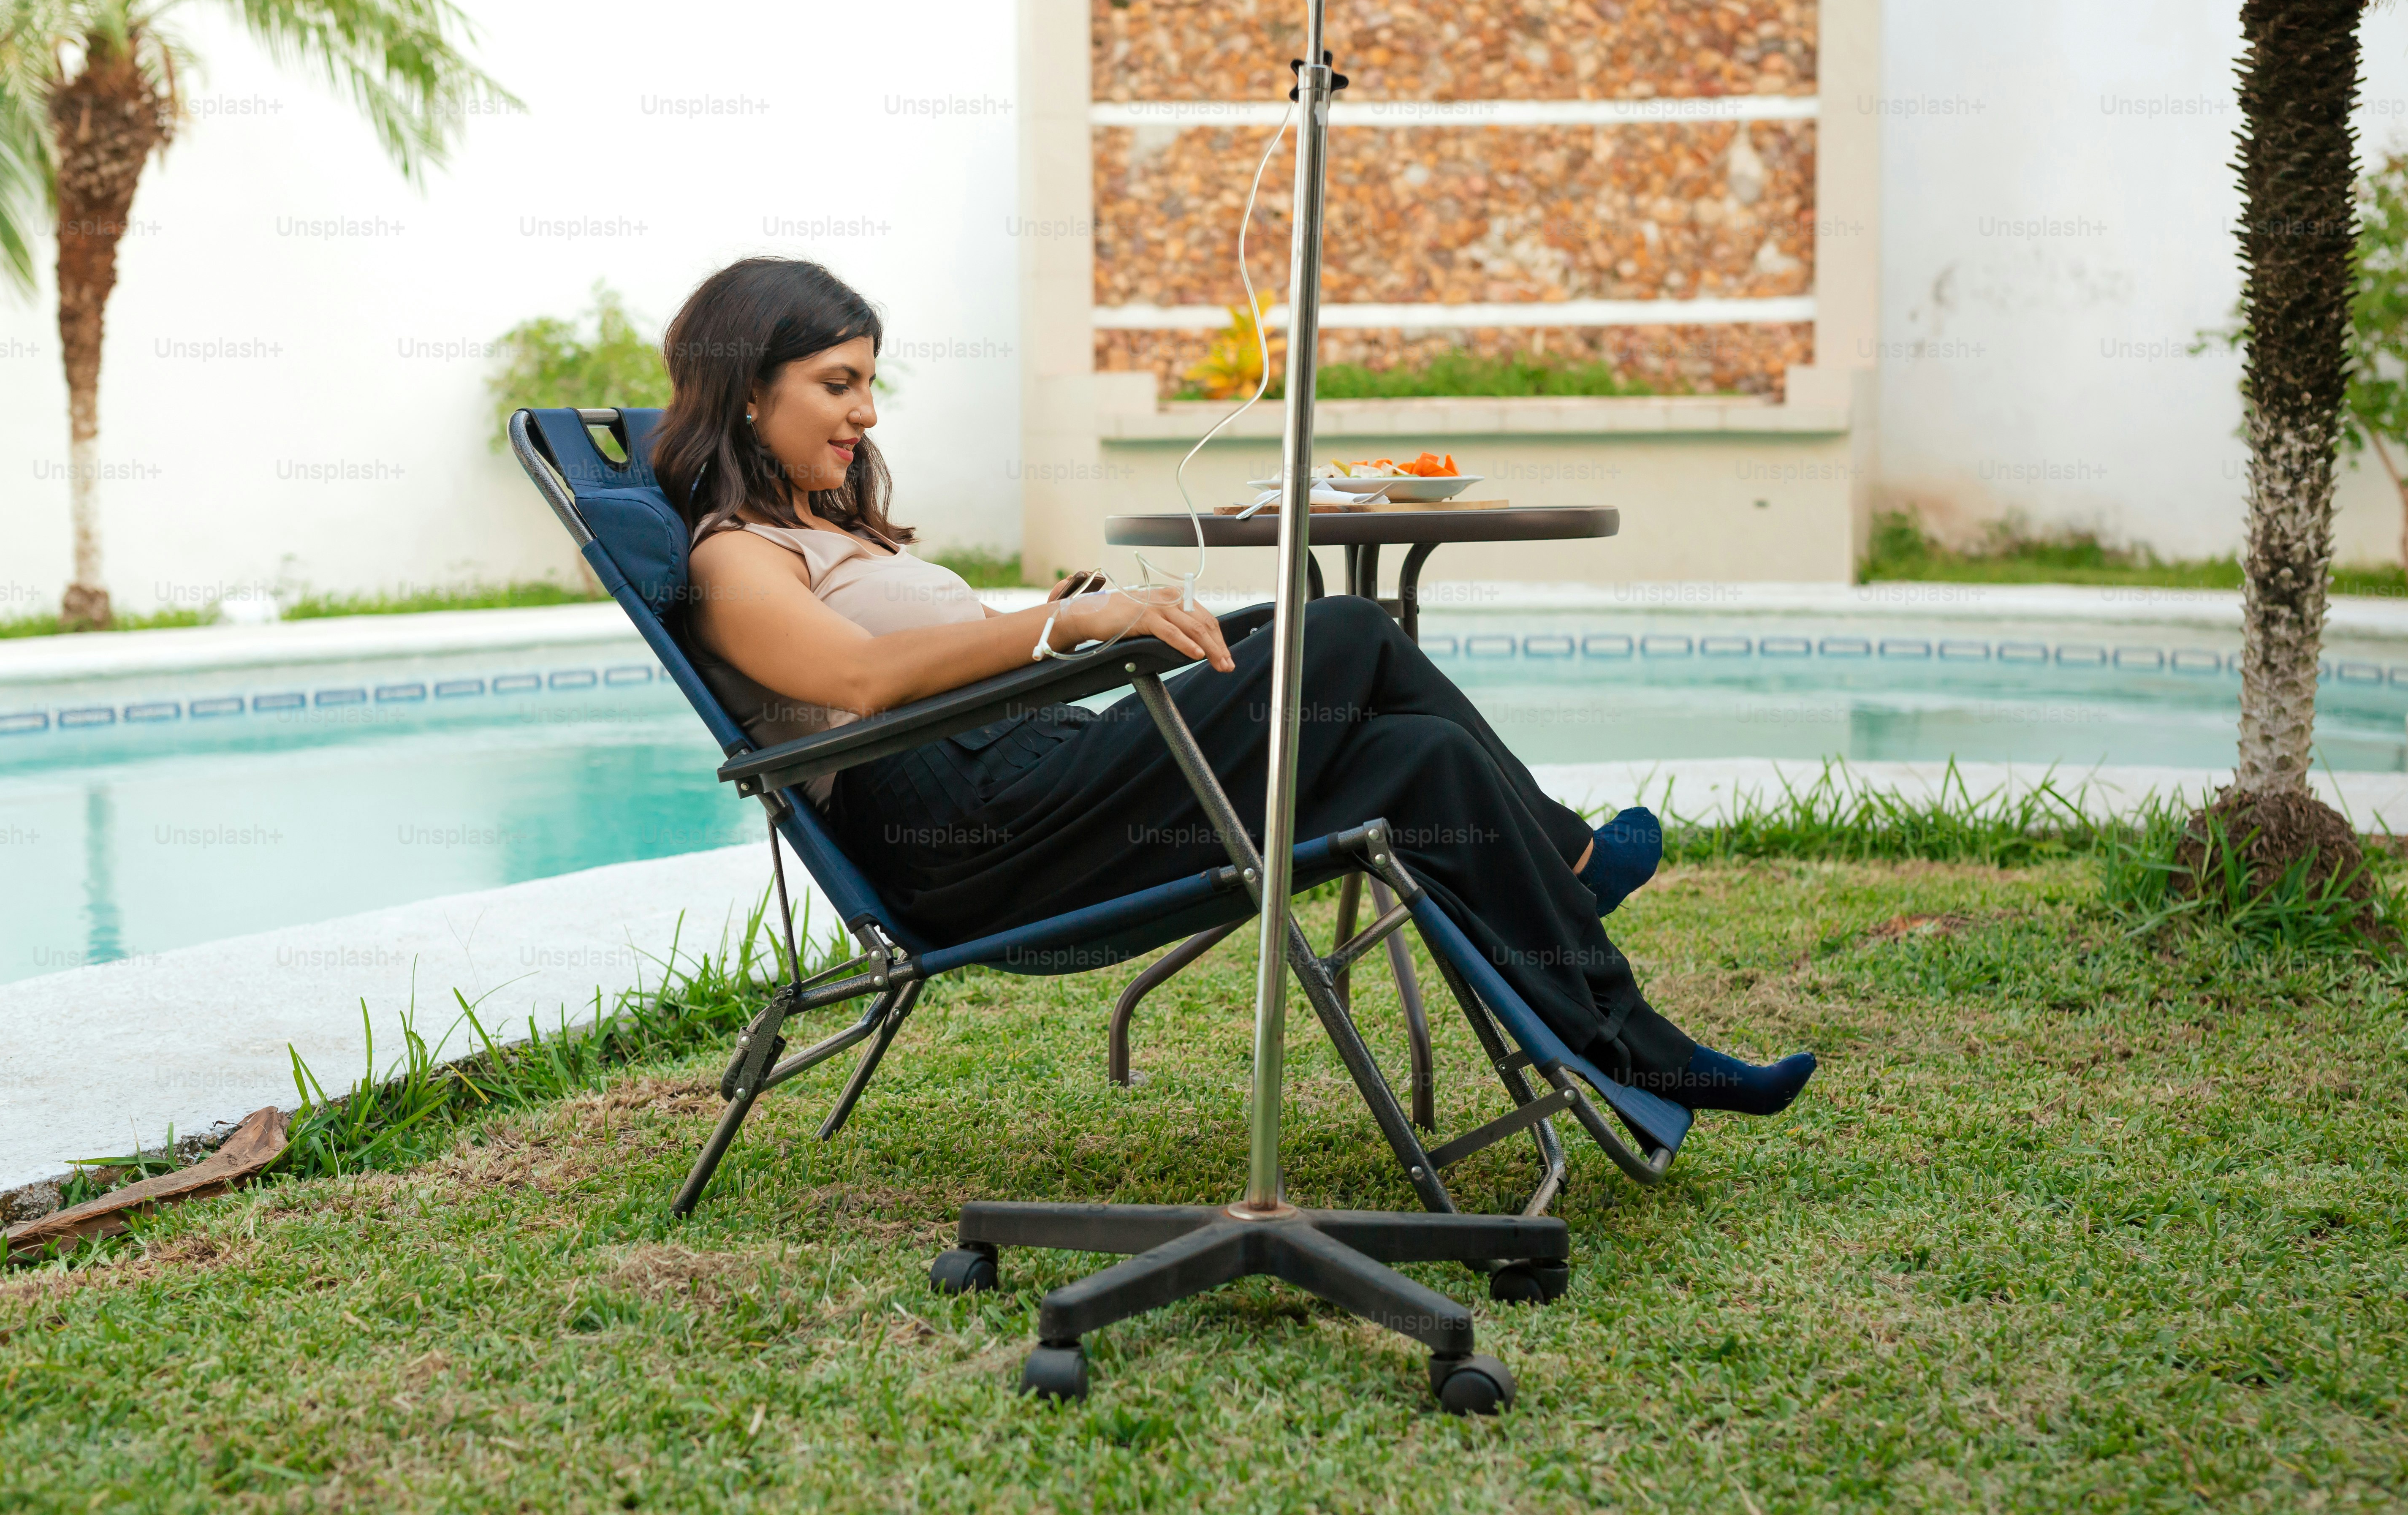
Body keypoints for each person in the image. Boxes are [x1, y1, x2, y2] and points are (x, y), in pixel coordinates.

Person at [654, 258, 1814, 1118]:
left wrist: (1049, 634)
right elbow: (857, 681)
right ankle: (1566, 862)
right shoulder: (732, 557)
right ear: (748, 393)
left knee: (1422, 764)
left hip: (1028, 772)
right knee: (1345, 632)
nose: (867, 412)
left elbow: (914, 661)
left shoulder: (828, 532)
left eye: (870, 383)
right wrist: (1064, 623)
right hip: (967, 833)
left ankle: (1638, 1045)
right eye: (838, 384)